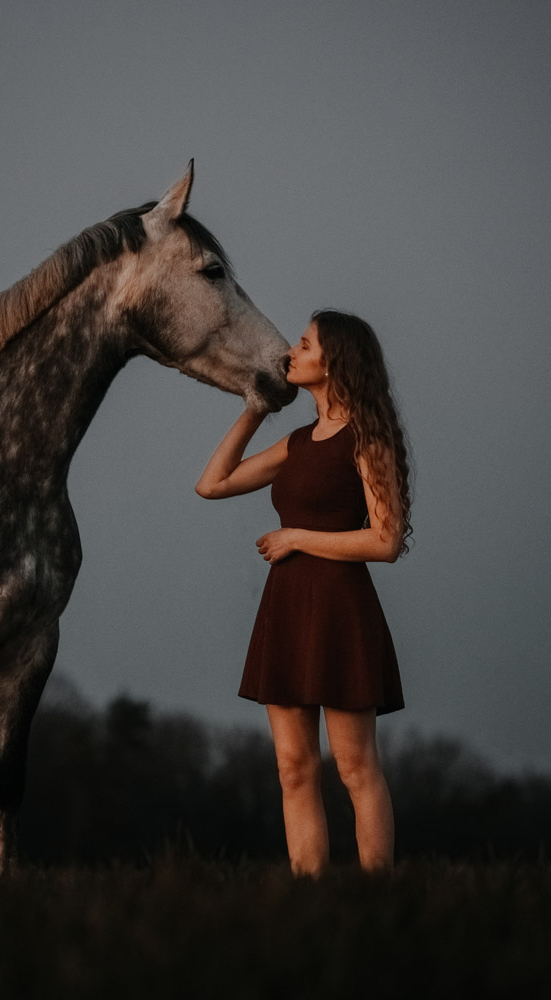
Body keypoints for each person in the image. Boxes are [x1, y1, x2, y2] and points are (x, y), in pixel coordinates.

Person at [195, 309, 411, 875]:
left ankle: (378, 895)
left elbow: (386, 540)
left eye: (305, 343)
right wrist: (254, 407)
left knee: (355, 767)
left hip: (341, 609)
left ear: (333, 360)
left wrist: (298, 537)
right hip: (287, 609)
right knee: (293, 767)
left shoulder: (368, 436)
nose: (292, 351)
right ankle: (310, 897)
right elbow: (211, 484)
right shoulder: (296, 442)